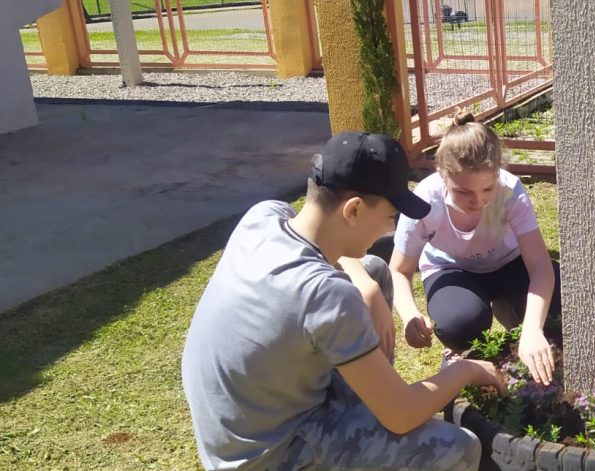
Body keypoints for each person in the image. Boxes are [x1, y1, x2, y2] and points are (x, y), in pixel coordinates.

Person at [181, 132, 506, 471]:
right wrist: (464, 370)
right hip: (271, 457)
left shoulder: (263, 217)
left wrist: (367, 286)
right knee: (458, 447)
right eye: (390, 216)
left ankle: (366, 409)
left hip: (241, 427)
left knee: (374, 270)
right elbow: (403, 415)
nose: (390, 226)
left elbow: (330, 252)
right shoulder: (325, 295)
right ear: (353, 210)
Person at [389, 113, 562, 385]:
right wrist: (410, 314)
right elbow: (398, 271)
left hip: (508, 262)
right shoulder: (425, 200)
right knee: (460, 323)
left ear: (498, 175)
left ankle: (514, 315)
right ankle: (459, 357)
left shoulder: (510, 191)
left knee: (562, 302)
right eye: (463, 192)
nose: (478, 200)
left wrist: (532, 328)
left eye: (487, 189)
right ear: (442, 174)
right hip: (451, 270)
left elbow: (540, 266)